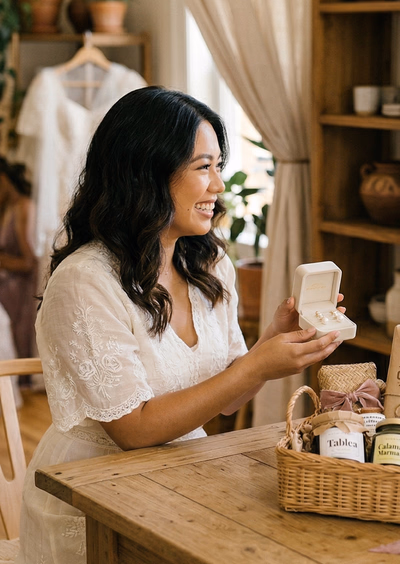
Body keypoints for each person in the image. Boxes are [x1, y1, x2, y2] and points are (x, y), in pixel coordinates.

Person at [17, 86, 343, 564]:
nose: (218, 187)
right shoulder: (85, 281)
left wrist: (273, 343)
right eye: (202, 167)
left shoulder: (209, 265)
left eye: (218, 167)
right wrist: (255, 367)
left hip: (185, 476)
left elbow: (227, 397)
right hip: (93, 499)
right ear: (147, 174)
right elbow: (133, 429)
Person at [0, 157, 37, 364]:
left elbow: (28, 262)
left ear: (3, 179)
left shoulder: (24, 207)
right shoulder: (7, 209)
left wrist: (2, 262)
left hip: (18, 286)